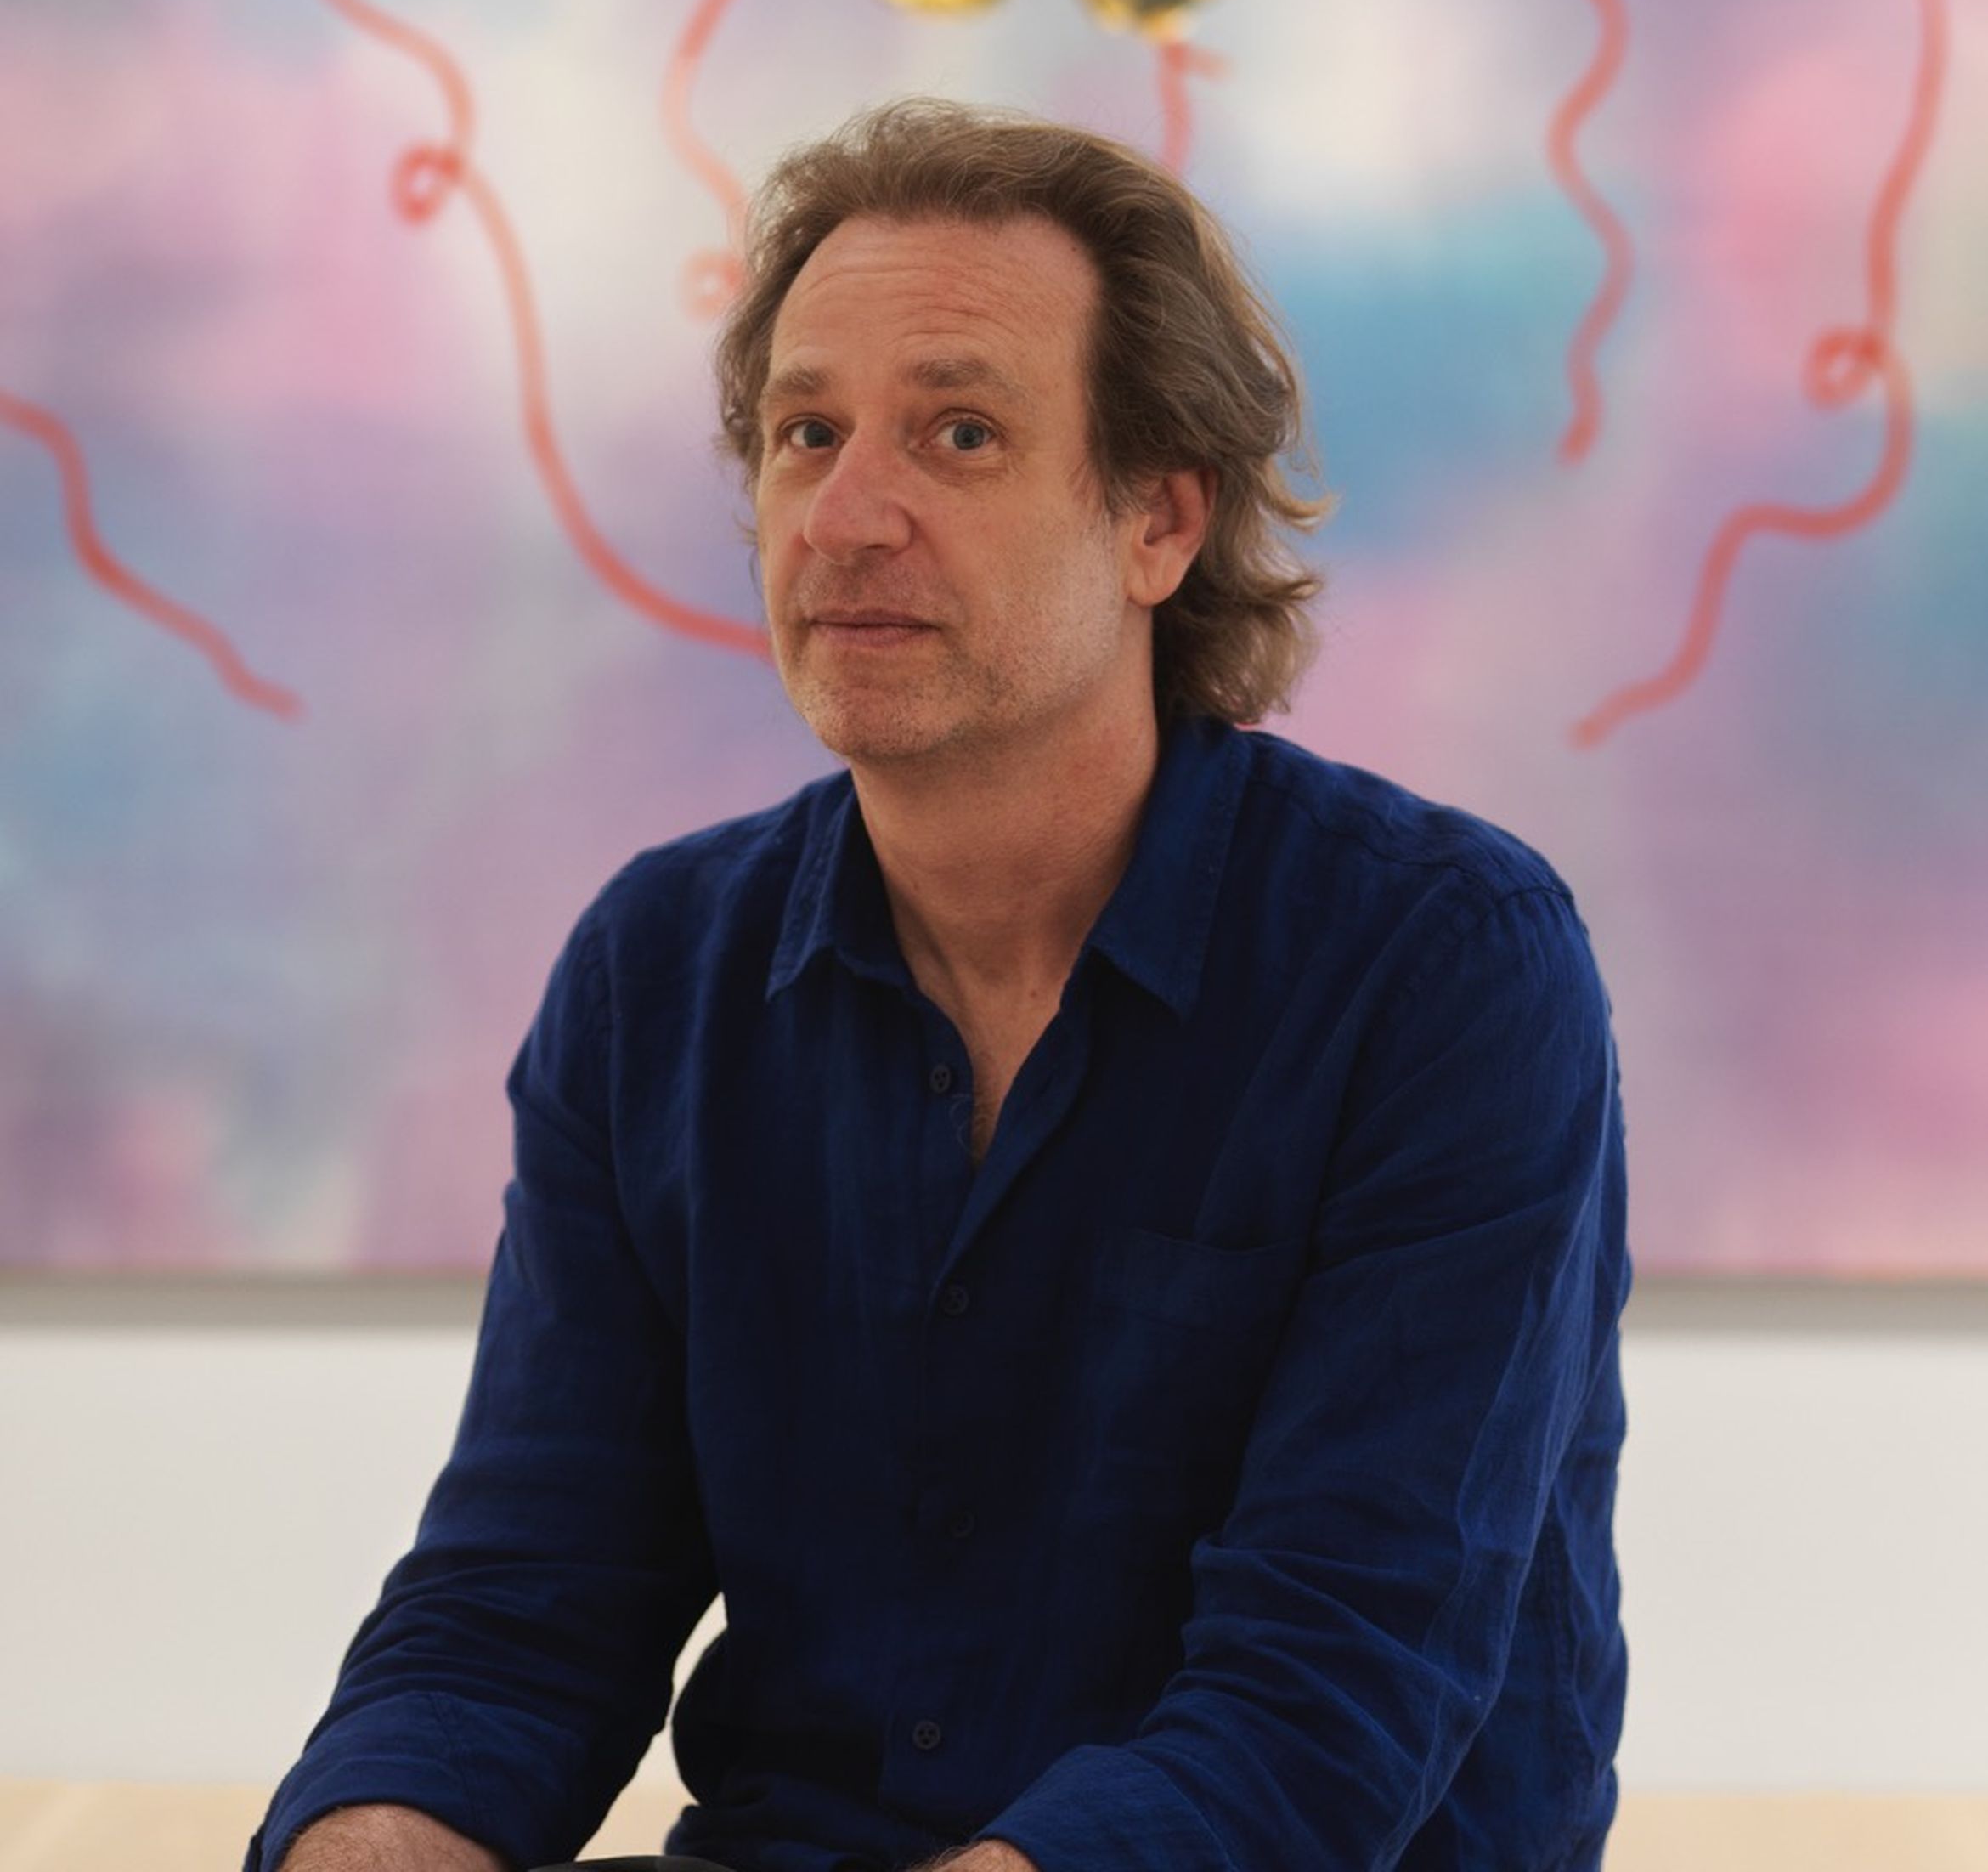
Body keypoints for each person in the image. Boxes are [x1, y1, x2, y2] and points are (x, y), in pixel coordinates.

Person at [250, 99, 1629, 1872]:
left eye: (958, 434)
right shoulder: (651, 975)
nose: (845, 513)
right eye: (804, 434)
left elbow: (1324, 1706)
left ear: (1159, 522)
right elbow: (525, 1602)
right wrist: (368, 1847)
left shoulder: (1447, 970)